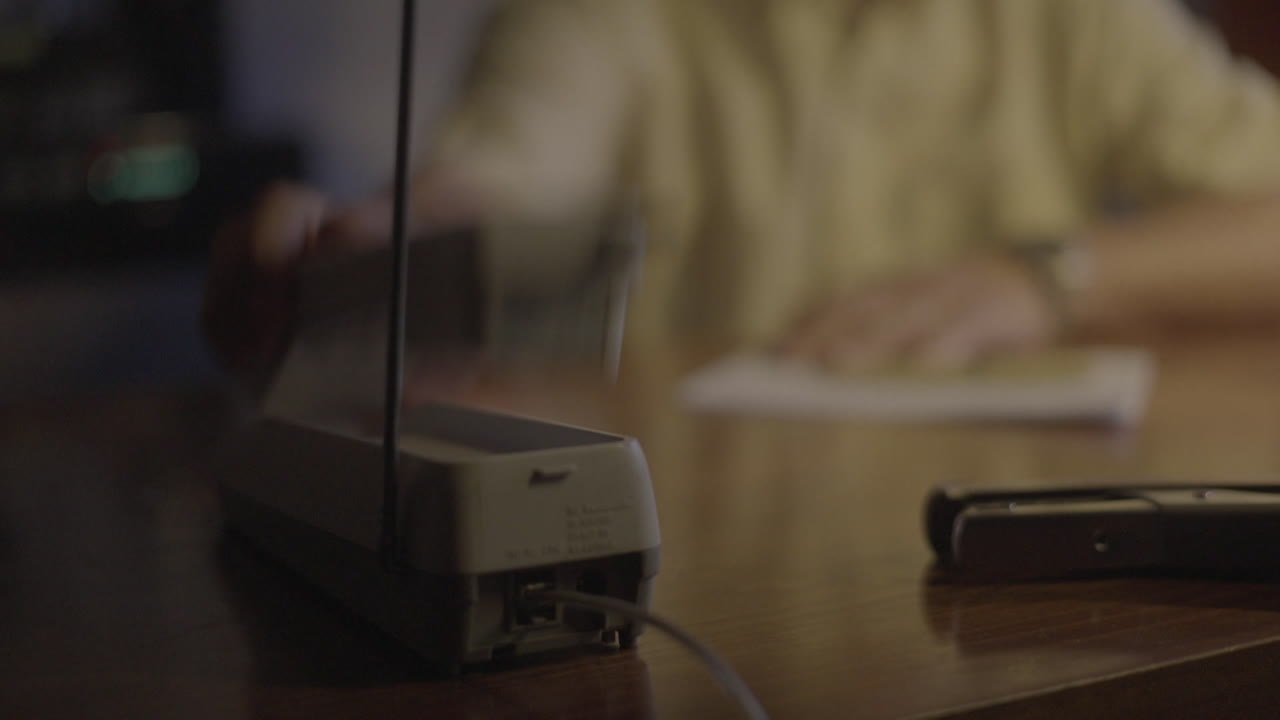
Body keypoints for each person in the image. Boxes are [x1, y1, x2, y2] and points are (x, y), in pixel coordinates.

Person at [205, 0, 1280, 386]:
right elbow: (501, 178)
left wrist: (1050, 280)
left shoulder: (1080, 15)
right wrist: (370, 254)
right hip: (704, 594)